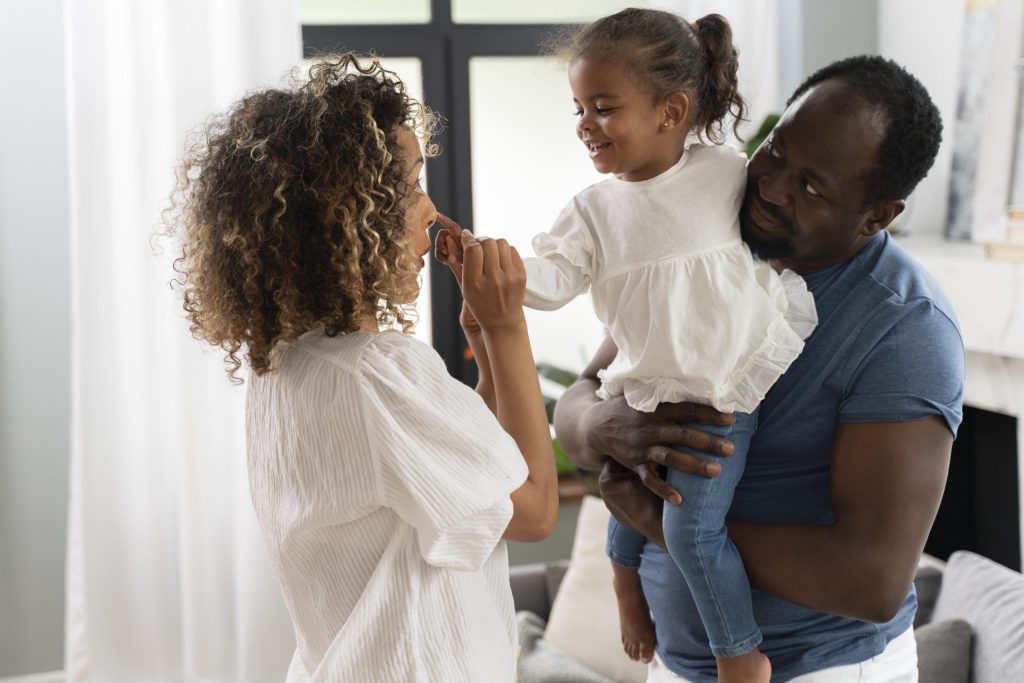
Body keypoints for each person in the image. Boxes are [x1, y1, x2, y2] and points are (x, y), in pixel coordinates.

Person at [553, 54, 963, 683]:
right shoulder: (715, 241)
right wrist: (607, 428)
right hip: (678, 663)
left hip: (821, 671)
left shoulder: (905, 328)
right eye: (775, 152)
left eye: (814, 187)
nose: (772, 188)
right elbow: (579, 401)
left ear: (878, 216)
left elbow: (871, 580)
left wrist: (663, 527)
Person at [166, 53, 558, 682]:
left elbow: (477, 469)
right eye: (408, 189)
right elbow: (535, 509)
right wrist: (510, 328)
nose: (431, 212)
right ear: (342, 219)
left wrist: (484, 339)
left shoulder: (290, 367)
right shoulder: (379, 375)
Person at [449, 8, 815, 681]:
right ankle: (626, 584)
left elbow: (780, 236)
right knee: (618, 488)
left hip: (724, 388)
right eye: (578, 108)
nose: (585, 122)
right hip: (650, 387)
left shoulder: (728, 176)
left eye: (604, 106)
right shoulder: (593, 210)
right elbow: (552, 280)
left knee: (689, 528)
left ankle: (738, 651)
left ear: (672, 111)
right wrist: (488, 261)